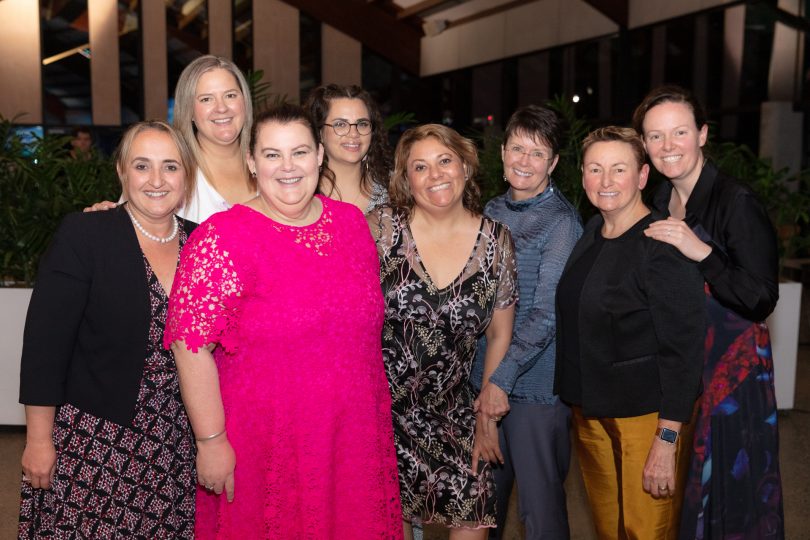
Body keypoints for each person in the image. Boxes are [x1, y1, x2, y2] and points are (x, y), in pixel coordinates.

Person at [164, 103, 402, 538]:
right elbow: (189, 344)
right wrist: (211, 440)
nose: (287, 167)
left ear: (320, 156)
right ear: (253, 162)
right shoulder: (222, 237)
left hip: (351, 439)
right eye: (272, 154)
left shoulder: (351, 225)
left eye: (300, 152)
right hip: (267, 445)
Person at [18, 121, 198, 538]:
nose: (156, 180)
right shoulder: (86, 234)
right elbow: (45, 347)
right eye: (142, 166)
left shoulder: (203, 243)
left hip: (177, 443)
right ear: (121, 172)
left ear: (186, 175)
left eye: (170, 167)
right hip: (96, 441)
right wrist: (39, 440)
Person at [633, 85, 784, 539]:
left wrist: (702, 252)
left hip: (731, 373)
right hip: (685, 364)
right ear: (644, 144)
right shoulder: (661, 200)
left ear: (702, 134)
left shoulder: (734, 201)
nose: (668, 146)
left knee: (731, 493)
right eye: (655, 137)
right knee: (691, 496)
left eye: (679, 132)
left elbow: (761, 298)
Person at [554, 126, 705, 539]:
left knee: (645, 532)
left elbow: (685, 347)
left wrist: (668, 437)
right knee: (608, 529)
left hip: (646, 418)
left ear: (641, 176)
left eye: (618, 169)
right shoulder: (590, 231)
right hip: (590, 410)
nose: (605, 182)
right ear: (582, 175)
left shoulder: (662, 244)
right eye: (595, 169)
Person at [368, 123, 518, 539]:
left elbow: (500, 334)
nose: (435, 175)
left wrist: (488, 413)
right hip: (378, 410)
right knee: (384, 522)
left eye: (445, 161)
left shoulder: (496, 242)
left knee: (473, 506)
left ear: (466, 167)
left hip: (452, 411)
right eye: (420, 166)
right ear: (406, 179)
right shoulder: (380, 229)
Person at [471, 105, 582, 539]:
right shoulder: (490, 211)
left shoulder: (561, 223)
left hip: (534, 389)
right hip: (485, 383)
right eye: (517, 148)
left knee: (540, 516)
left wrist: (501, 379)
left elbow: (545, 314)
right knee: (483, 508)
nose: (524, 160)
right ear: (502, 153)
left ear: (553, 163)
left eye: (538, 153)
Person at [87, 55, 254, 224]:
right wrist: (106, 219)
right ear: (189, 111)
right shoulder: (169, 169)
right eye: (206, 99)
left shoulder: (271, 163)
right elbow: (131, 232)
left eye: (230, 95)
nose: (221, 108)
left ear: (245, 101)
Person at [305, 83, 392, 214]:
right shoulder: (302, 194)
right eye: (340, 124)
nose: (353, 133)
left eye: (362, 124)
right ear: (320, 133)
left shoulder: (394, 188)